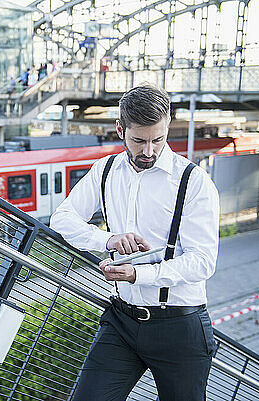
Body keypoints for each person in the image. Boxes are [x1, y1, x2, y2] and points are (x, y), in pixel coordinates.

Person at [50, 85, 219, 401]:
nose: (150, 151)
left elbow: (203, 261)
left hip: (179, 327)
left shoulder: (193, 181)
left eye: (158, 139)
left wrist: (140, 274)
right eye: (139, 141)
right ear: (120, 129)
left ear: (166, 127)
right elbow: (62, 218)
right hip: (122, 321)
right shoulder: (106, 170)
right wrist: (108, 239)